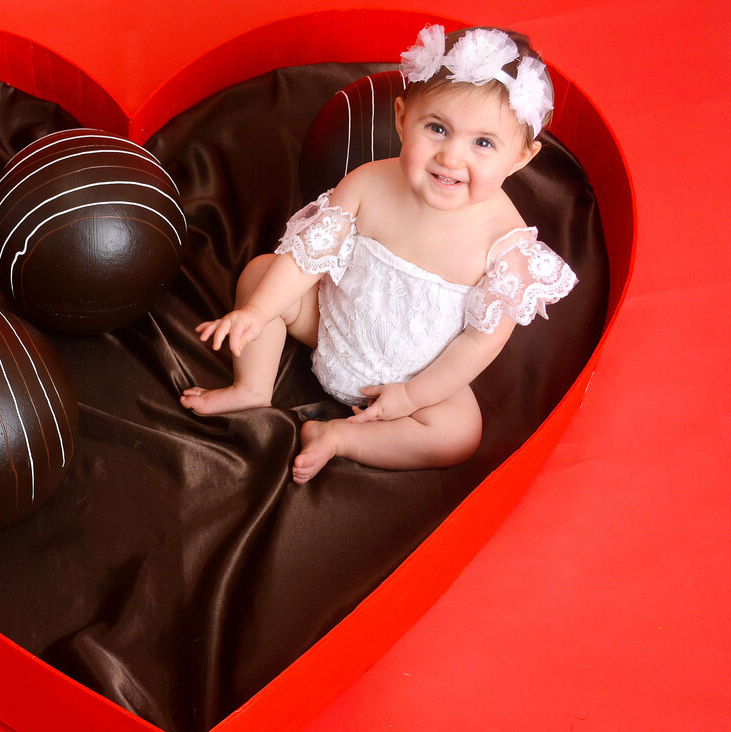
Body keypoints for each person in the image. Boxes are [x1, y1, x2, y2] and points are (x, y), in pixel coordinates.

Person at [180, 25, 578, 484]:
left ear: (522, 158)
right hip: (331, 326)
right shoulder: (368, 183)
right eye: (437, 128)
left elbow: (479, 343)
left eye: (483, 143)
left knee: (459, 433)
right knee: (262, 274)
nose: (451, 157)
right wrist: (257, 311)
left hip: (419, 372)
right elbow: (308, 256)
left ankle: (340, 438)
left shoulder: (506, 245)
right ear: (402, 118)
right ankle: (251, 386)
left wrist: (412, 396)